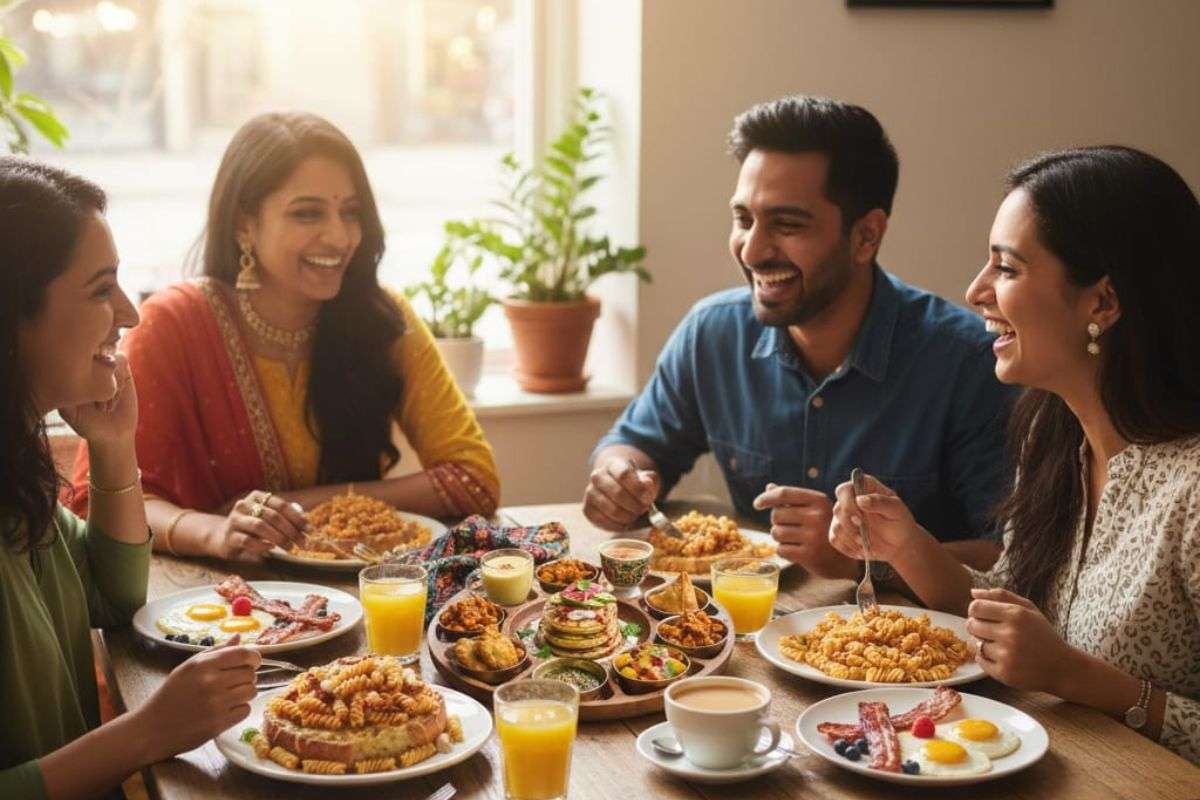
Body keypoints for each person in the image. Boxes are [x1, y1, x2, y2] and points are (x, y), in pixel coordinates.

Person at [828, 146, 1200, 765]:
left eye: (1007, 268)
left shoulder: (1191, 489)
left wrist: (1080, 678)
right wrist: (907, 546)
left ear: (1102, 304)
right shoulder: (1053, 436)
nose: (976, 290)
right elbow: (1009, 613)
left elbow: (1057, 667)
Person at [585, 96, 1014, 577]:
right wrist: (619, 478)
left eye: (787, 225)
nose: (752, 249)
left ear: (866, 236)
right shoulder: (712, 333)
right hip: (747, 624)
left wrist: (865, 557)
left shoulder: (968, 362)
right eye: (743, 219)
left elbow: (1009, 558)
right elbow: (634, 444)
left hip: (910, 641)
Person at [67, 112, 500, 561]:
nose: (340, 236)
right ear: (244, 224)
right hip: (215, 606)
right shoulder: (174, 326)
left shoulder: (379, 320)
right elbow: (102, 502)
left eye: (351, 212)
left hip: (361, 592)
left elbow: (473, 480)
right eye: (307, 213)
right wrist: (218, 530)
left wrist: (303, 508)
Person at [0, 158, 261, 798]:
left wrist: (114, 444)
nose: (129, 314)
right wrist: (148, 732)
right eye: (99, 290)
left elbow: (112, 596)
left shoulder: (15, 469)